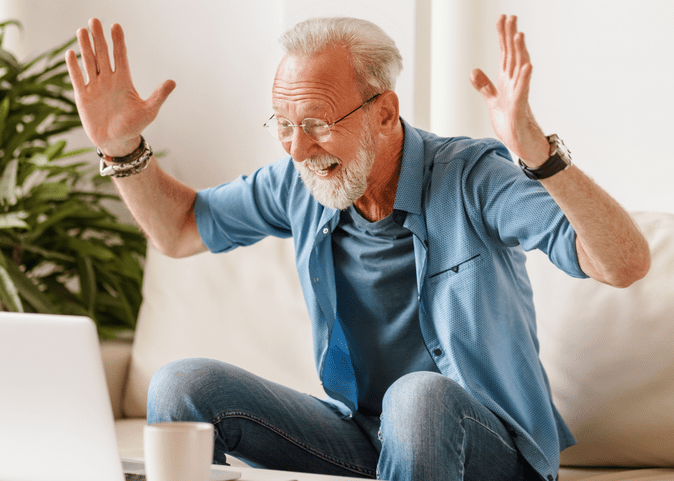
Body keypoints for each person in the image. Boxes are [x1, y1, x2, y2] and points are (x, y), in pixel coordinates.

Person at [66, 15, 650, 481]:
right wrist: (122, 147)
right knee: (183, 385)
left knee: (417, 398)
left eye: (317, 122)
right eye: (284, 124)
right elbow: (180, 229)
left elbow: (623, 264)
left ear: (385, 113)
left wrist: (541, 157)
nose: (297, 149)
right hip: (362, 435)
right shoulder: (301, 183)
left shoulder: (472, 176)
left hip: (483, 444)